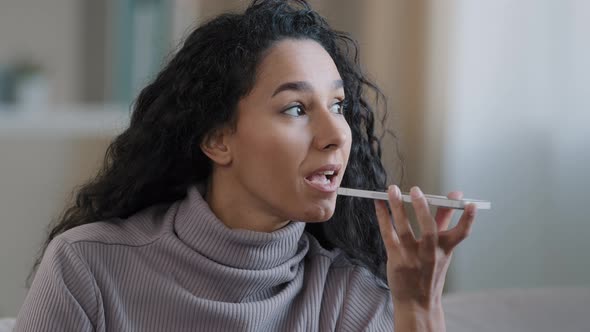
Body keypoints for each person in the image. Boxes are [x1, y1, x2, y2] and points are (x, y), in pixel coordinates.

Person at [15, 0, 476, 331]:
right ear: (218, 139)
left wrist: (417, 311)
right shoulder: (88, 267)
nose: (337, 134)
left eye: (338, 106)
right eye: (296, 108)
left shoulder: (350, 298)